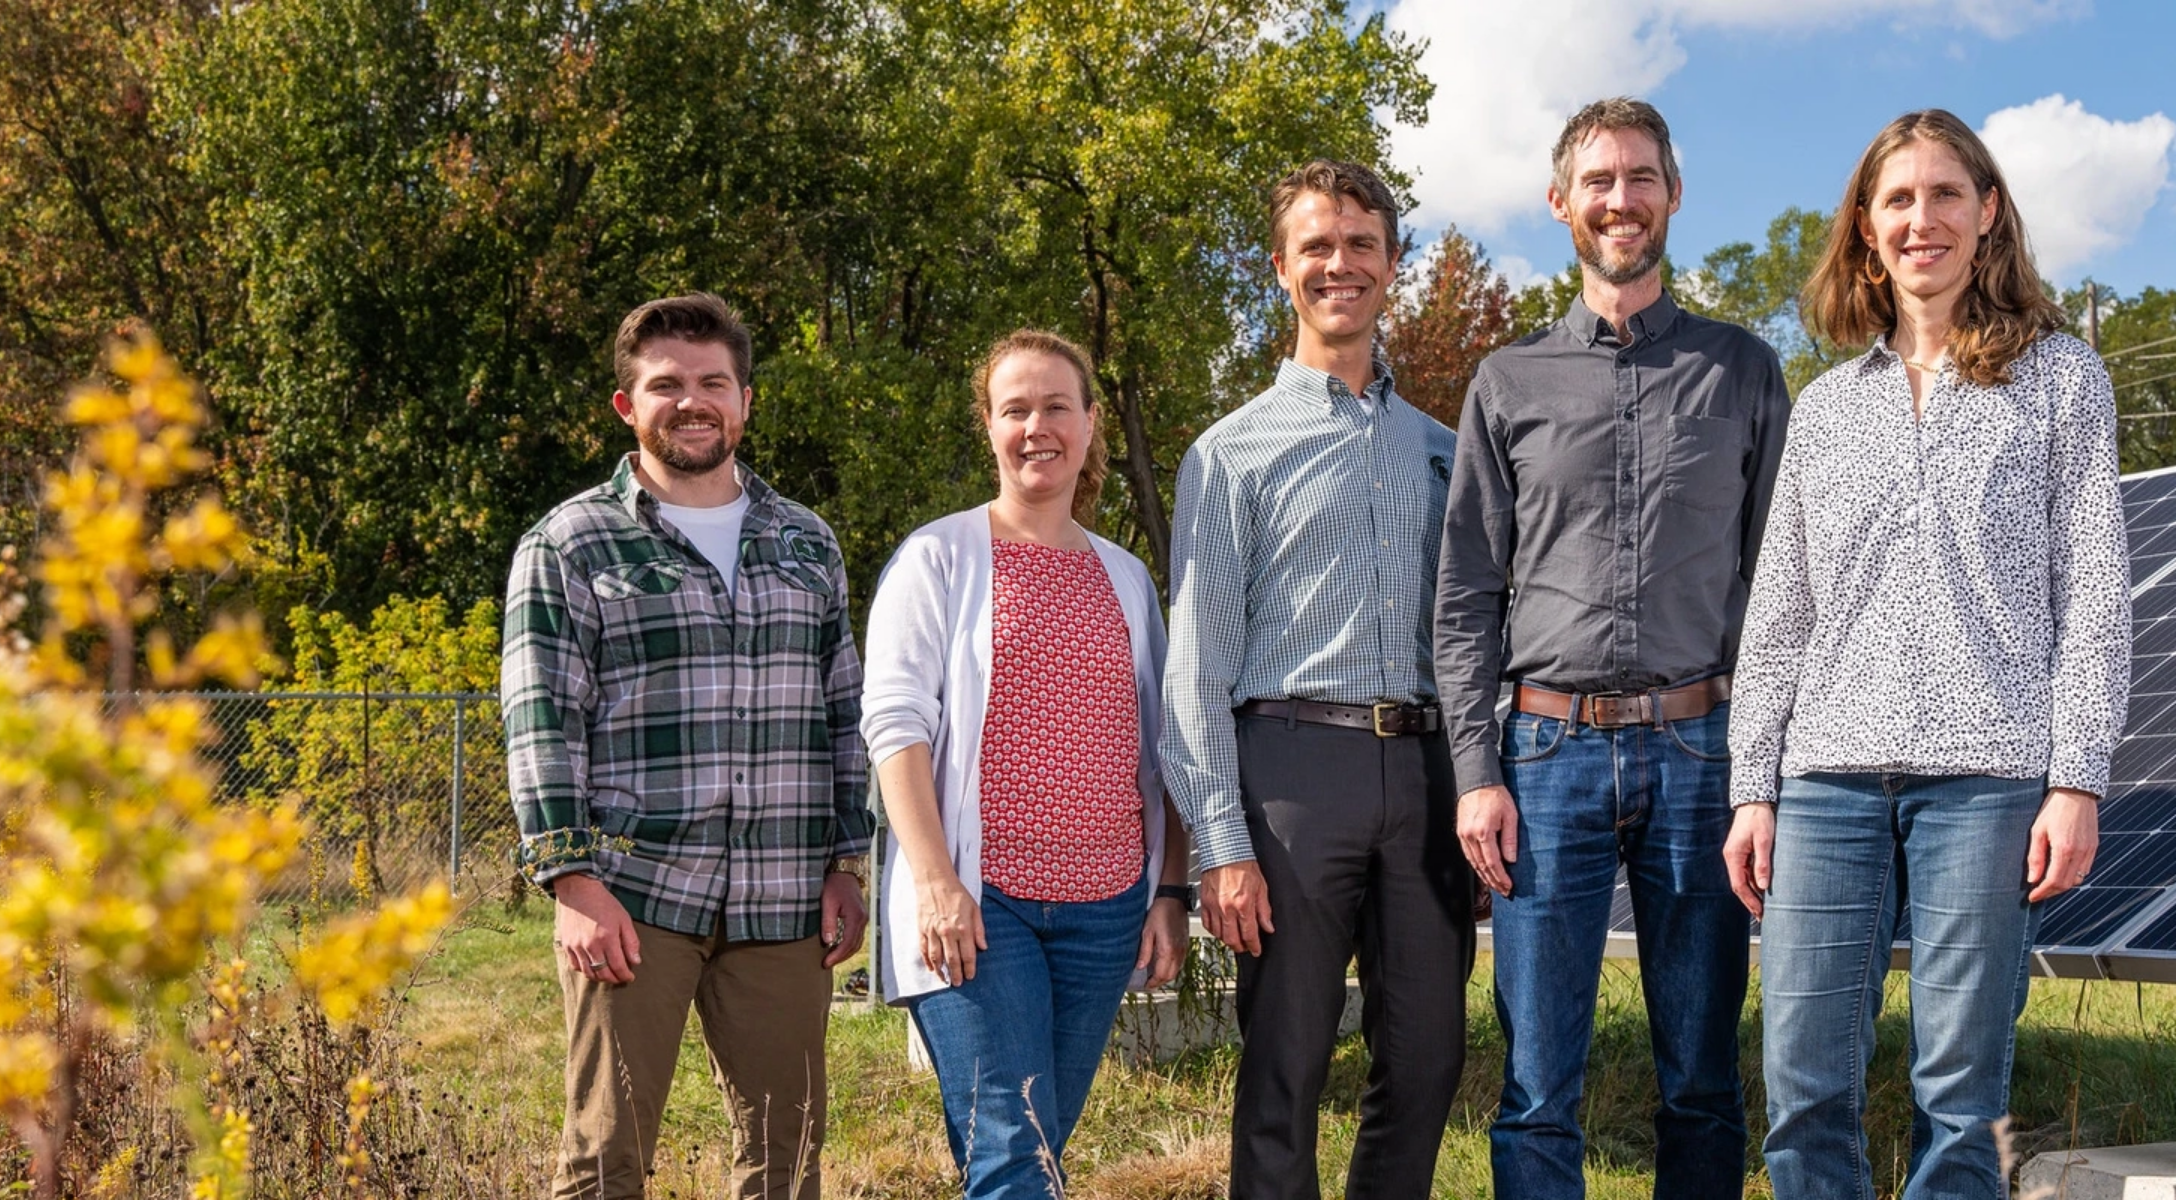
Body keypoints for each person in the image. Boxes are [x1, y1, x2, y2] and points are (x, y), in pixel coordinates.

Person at [1720, 108, 2129, 1200]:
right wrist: (1752, 787)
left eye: (1946, 194)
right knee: (1804, 1086)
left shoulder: (2061, 382)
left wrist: (2077, 776)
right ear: (1865, 227)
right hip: (1825, 782)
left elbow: (2092, 593)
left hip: (1987, 781)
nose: (1922, 220)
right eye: (1897, 200)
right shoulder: (1824, 410)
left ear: (1989, 212)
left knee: (1961, 1095)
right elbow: (1781, 617)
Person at [1436, 96, 1790, 1200]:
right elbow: (1464, 597)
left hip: (1704, 756)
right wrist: (1475, 774)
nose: (1621, 199)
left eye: (1641, 177)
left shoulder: (1743, 371)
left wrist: (1764, 776)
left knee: (1702, 1077)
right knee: (1539, 1085)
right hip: (1546, 758)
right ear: (1560, 203)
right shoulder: (1508, 382)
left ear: (1674, 195)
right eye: (1599, 181)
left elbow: (1786, 588)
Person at [504, 291, 870, 1200]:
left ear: (745, 400)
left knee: (786, 1166)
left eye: (714, 382)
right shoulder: (570, 543)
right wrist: (574, 884)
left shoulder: (807, 543)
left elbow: (843, 710)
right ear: (629, 406)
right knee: (604, 1162)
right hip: (634, 898)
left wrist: (846, 866)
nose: (693, 401)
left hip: (784, 897)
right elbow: (542, 718)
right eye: (666, 384)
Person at [1160, 159, 1475, 1200]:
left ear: (1394, 263)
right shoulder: (1230, 453)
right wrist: (1221, 842)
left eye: (1361, 245)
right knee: (1285, 1067)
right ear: (1281, 270)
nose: (1340, 265)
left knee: (1427, 1057)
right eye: (1317, 247)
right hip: (1291, 775)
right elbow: (1196, 665)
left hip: (1426, 775)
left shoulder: (1445, 451)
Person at [861, 329, 1197, 1198]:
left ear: (1090, 426)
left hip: (1106, 909)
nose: (1035, 426)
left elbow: (1163, 755)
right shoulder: (936, 559)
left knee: (1031, 1146)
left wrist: (1168, 892)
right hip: (978, 904)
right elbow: (895, 725)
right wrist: (936, 882)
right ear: (989, 427)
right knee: (1014, 1148)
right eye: (1015, 409)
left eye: (1056, 406)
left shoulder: (1126, 579)